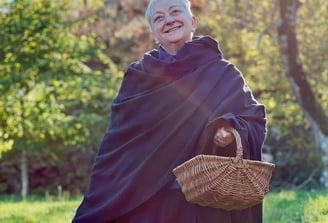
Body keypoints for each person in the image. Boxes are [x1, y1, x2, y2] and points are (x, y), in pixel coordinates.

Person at [72, 0, 266, 222]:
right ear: (154, 33)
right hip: (146, 198)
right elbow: (118, 144)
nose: (169, 20)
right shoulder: (138, 77)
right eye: (159, 18)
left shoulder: (223, 73)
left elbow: (253, 119)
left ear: (193, 22)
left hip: (203, 201)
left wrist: (230, 131)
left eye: (175, 12)